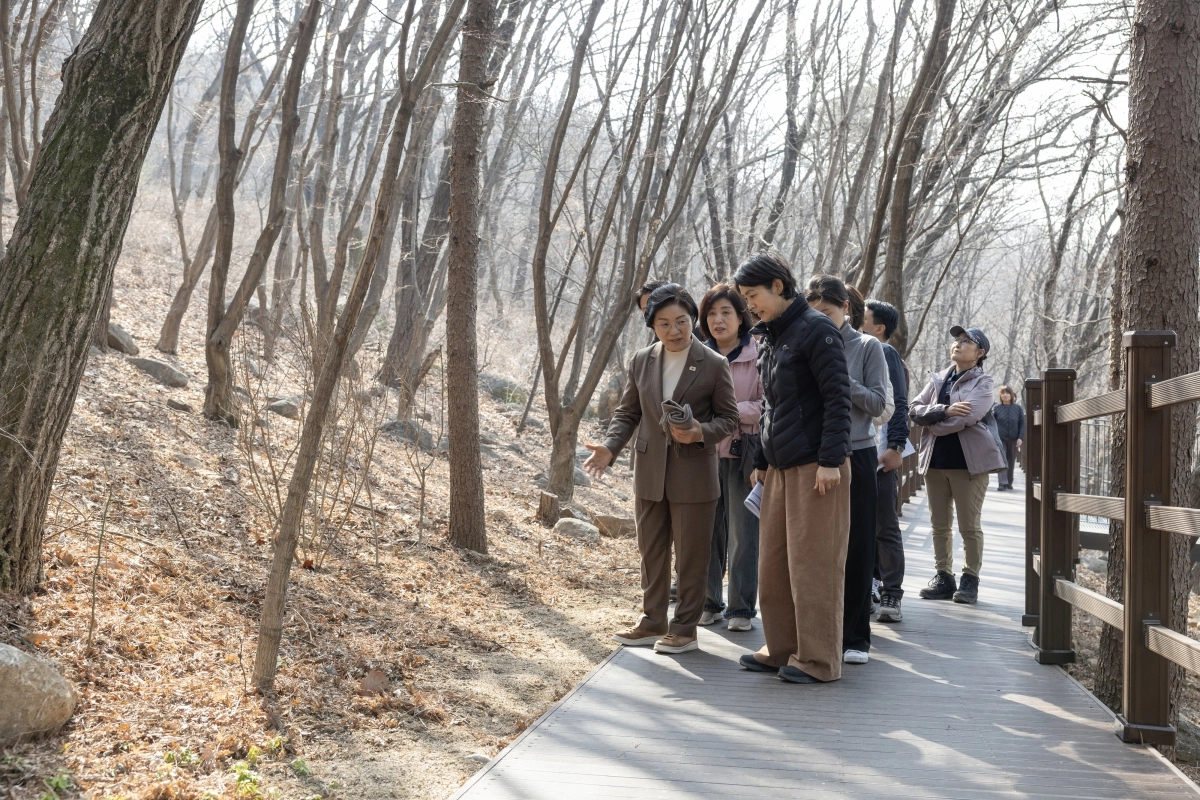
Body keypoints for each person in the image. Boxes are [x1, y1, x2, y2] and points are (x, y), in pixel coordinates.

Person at [583, 284, 739, 654]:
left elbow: (730, 418)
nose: (674, 330)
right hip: (649, 472)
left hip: (695, 475)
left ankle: (684, 628)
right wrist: (609, 447)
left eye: (682, 322)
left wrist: (700, 432)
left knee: (691, 556)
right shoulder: (642, 359)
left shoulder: (714, 364)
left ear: (693, 321)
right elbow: (628, 412)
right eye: (664, 323)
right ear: (652, 324)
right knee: (651, 550)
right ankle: (652, 621)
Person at [733, 252, 852, 684]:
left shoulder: (817, 330)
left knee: (814, 565)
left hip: (818, 469)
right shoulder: (772, 336)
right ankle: (781, 648)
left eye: (753, 296)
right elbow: (771, 405)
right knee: (776, 564)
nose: (750, 306)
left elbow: (838, 399)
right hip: (780, 468)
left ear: (778, 286)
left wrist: (831, 460)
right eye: (745, 299)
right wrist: (761, 461)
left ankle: (818, 660)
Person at [806, 276, 888, 666]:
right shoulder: (804, 341)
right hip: (813, 455)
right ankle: (817, 633)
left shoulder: (868, 347)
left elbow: (877, 403)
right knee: (817, 549)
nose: (821, 319)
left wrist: (842, 380)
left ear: (846, 311)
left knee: (856, 545)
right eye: (815, 312)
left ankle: (856, 636)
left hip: (857, 453)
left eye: (829, 312)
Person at [909, 326, 1006, 605]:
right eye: (956, 340)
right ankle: (943, 576)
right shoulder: (938, 379)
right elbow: (914, 410)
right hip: (935, 462)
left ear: (980, 352)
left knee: (968, 526)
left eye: (967, 341)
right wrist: (945, 410)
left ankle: (970, 578)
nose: (958, 344)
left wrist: (936, 422)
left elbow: (970, 415)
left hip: (969, 464)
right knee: (939, 524)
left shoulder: (983, 383)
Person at [696, 284, 762, 633]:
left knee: (742, 533)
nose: (718, 320)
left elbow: (769, 406)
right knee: (706, 532)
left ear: (741, 317)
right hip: (702, 454)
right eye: (711, 313)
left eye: (726, 312)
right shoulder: (695, 355)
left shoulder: (759, 354)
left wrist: (729, 413)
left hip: (743, 456)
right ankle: (708, 602)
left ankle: (741, 608)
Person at [863, 299, 909, 623]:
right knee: (861, 527)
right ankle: (870, 587)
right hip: (857, 451)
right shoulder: (856, 349)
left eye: (863, 318)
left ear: (879, 327)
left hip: (879, 454)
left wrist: (895, 446)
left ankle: (892, 592)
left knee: (884, 525)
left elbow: (900, 402)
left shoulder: (886, 352)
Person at [993, 385, 1025, 491]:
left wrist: (1020, 438)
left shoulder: (1018, 408)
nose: (1005, 395)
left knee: (1011, 461)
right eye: (1003, 393)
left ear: (1011, 395)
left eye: (1007, 393)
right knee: (1001, 460)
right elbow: (991, 423)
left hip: (1014, 439)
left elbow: (1022, 424)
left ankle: (1009, 482)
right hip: (1000, 439)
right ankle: (1002, 483)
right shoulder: (996, 408)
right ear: (1000, 395)